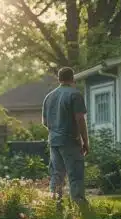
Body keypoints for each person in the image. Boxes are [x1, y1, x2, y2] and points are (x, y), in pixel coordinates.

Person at [42, 67, 89, 203]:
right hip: (70, 140)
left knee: (57, 173)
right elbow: (80, 119)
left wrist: (56, 131)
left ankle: (55, 202)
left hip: (54, 141)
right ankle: (78, 202)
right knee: (75, 173)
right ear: (73, 78)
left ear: (59, 79)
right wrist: (85, 141)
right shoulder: (74, 95)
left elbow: (45, 122)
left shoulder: (49, 97)